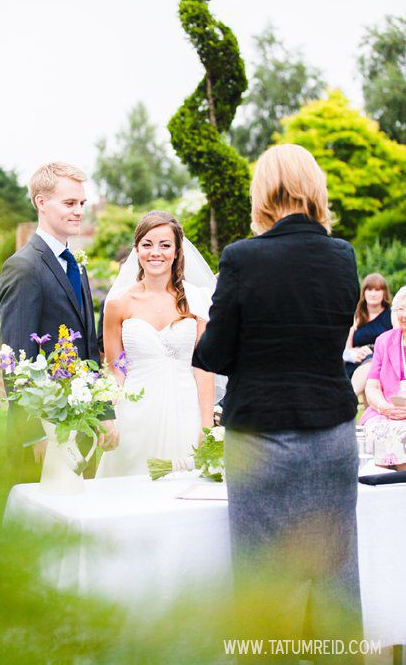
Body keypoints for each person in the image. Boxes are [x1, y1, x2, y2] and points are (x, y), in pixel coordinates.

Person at [193, 144, 363, 656]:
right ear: (314, 187)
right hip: (333, 437)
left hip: (262, 440)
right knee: (333, 574)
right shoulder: (343, 255)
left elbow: (215, 354)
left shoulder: (242, 258)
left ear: (262, 191)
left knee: (265, 577)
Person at [0, 162, 109, 482]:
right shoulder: (24, 268)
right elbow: (15, 361)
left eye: (82, 204)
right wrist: (36, 436)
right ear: (41, 203)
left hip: (81, 430)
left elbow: (88, 350)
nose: (78, 212)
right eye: (69, 203)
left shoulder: (76, 265)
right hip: (44, 436)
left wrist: (102, 414)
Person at [97, 211, 216, 477]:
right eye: (147, 244)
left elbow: (204, 368)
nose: (156, 252)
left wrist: (206, 425)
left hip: (186, 412)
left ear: (176, 251)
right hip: (135, 413)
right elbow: (114, 369)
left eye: (165, 245)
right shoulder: (118, 304)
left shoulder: (197, 300)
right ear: (137, 249)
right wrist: (108, 415)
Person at [361, 286, 406, 469]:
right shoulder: (384, 341)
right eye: (400, 309)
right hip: (386, 413)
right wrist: (384, 408)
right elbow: (372, 387)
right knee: (383, 430)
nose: (404, 315)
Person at [343, 272, 392, 394]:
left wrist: (372, 348)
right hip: (356, 362)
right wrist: (355, 352)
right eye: (369, 289)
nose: (373, 294)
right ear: (364, 293)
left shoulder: (392, 315)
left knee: (371, 368)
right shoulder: (356, 316)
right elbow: (347, 348)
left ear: (384, 293)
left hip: (382, 361)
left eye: (377, 290)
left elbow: (395, 342)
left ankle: (350, 398)